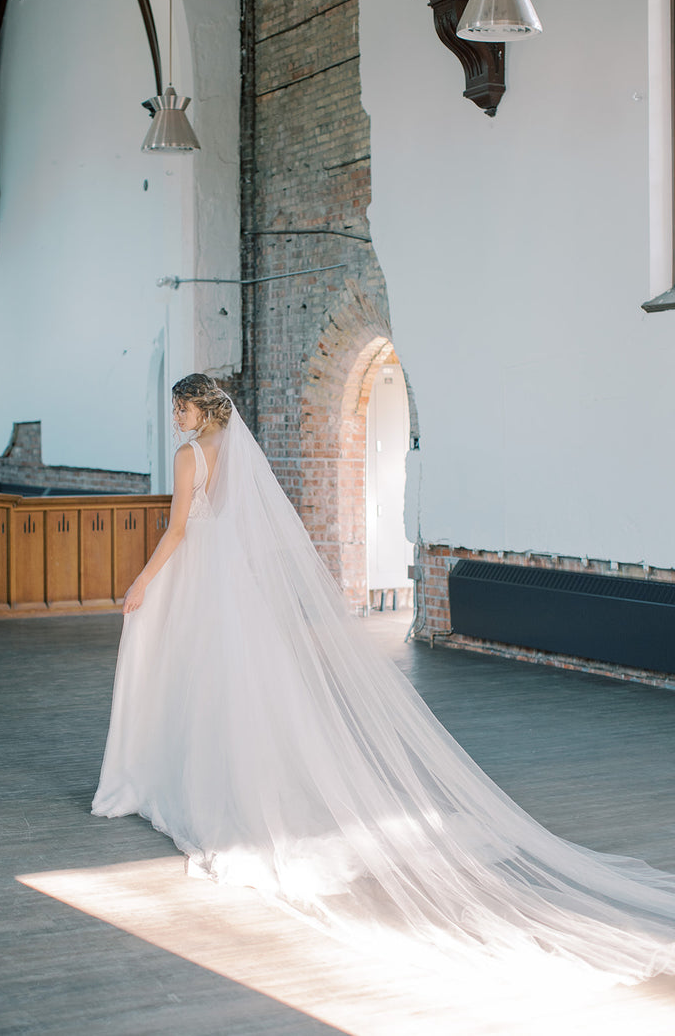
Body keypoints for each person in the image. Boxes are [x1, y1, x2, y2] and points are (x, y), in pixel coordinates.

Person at [93, 373, 675, 986]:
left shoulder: (189, 456)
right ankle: (243, 779)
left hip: (199, 576)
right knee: (244, 684)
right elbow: (236, 523)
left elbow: (182, 528)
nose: (177, 416)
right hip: (232, 583)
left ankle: (205, 781)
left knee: (202, 677)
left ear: (200, 409)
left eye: (181, 406)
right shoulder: (237, 452)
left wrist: (142, 581)